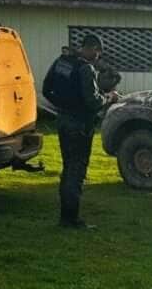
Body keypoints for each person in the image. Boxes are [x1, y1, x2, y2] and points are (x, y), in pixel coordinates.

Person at [43, 35, 118, 229]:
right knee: (76, 172)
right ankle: (71, 219)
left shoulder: (62, 62)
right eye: (98, 52)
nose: (98, 57)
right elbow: (93, 101)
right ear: (93, 48)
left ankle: (65, 217)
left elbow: (46, 89)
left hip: (63, 122)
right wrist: (109, 97)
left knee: (68, 168)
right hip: (80, 126)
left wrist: (63, 106)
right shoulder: (85, 68)